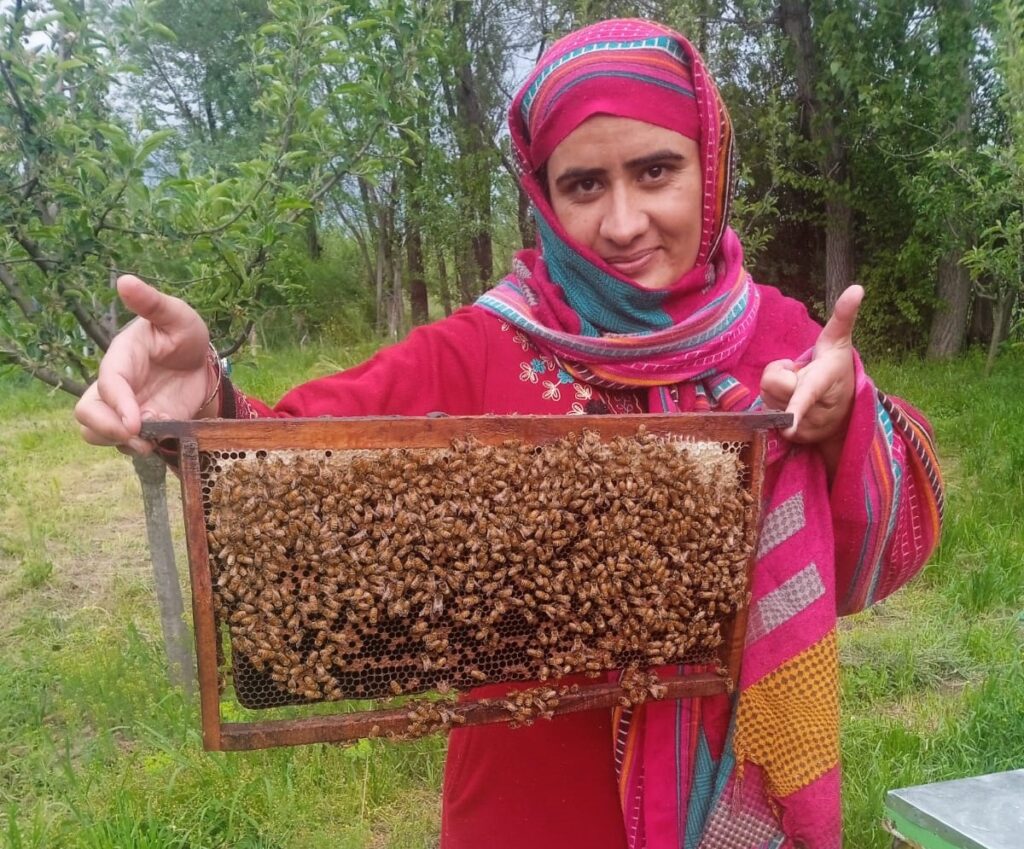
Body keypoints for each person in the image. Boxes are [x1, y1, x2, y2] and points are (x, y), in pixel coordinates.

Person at [75, 18, 943, 849]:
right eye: (584, 184)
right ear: (542, 190)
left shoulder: (781, 336)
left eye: (655, 170)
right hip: (528, 811)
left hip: (729, 793)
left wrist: (842, 419)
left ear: (708, 168)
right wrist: (205, 399)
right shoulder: (486, 344)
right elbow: (282, 450)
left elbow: (889, 542)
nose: (624, 221)